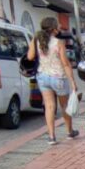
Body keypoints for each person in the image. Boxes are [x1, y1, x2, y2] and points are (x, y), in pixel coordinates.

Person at [28, 17, 79, 145]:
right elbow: (66, 63)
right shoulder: (58, 43)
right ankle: (69, 131)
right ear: (54, 29)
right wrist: (72, 81)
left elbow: (30, 56)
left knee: (49, 107)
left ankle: (51, 136)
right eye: (58, 26)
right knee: (64, 106)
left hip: (43, 77)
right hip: (58, 77)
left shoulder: (36, 40)